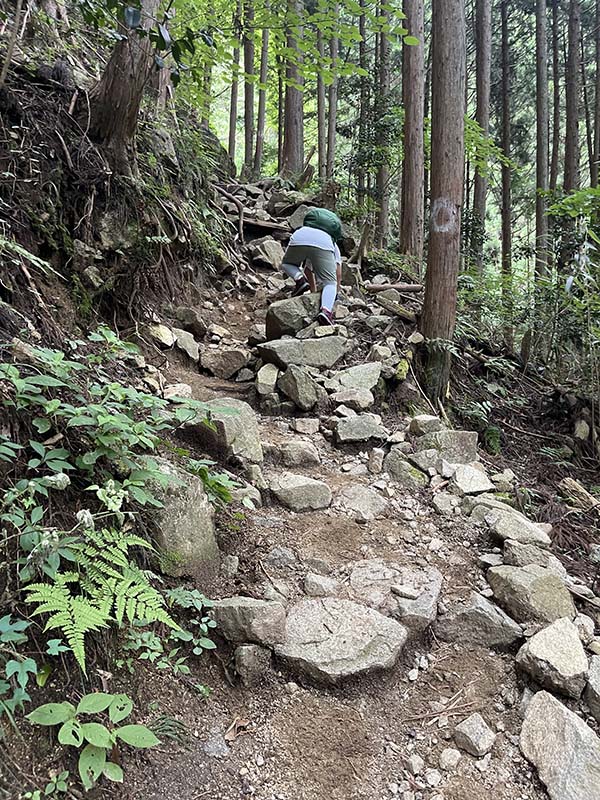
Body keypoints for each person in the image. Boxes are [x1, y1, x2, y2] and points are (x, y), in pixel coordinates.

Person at [280, 208, 343, 326]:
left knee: (287, 264)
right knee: (330, 283)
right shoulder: (331, 241)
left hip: (299, 237)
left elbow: (307, 270)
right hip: (324, 245)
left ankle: (299, 279)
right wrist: (335, 292)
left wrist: (311, 289)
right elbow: (338, 273)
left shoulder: (305, 229)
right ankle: (326, 312)